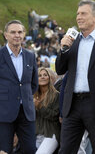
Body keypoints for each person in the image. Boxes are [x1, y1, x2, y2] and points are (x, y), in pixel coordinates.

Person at [55, 0, 95, 154]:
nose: (78, 17)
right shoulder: (71, 42)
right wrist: (63, 49)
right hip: (72, 105)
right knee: (66, 150)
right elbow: (60, 69)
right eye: (77, 14)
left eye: (83, 13)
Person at [0, 20, 38, 153]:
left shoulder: (30, 56)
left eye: (20, 32)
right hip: (3, 112)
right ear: (6, 35)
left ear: (24, 34)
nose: (17, 35)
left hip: (26, 112)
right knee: (4, 150)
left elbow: (33, 84)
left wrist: (23, 97)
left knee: (30, 149)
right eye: (13, 32)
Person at [34, 67, 60, 154]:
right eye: (39, 75)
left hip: (51, 134)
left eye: (45, 75)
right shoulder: (32, 96)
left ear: (49, 78)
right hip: (36, 134)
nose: (42, 77)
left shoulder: (56, 95)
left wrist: (40, 107)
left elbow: (55, 116)